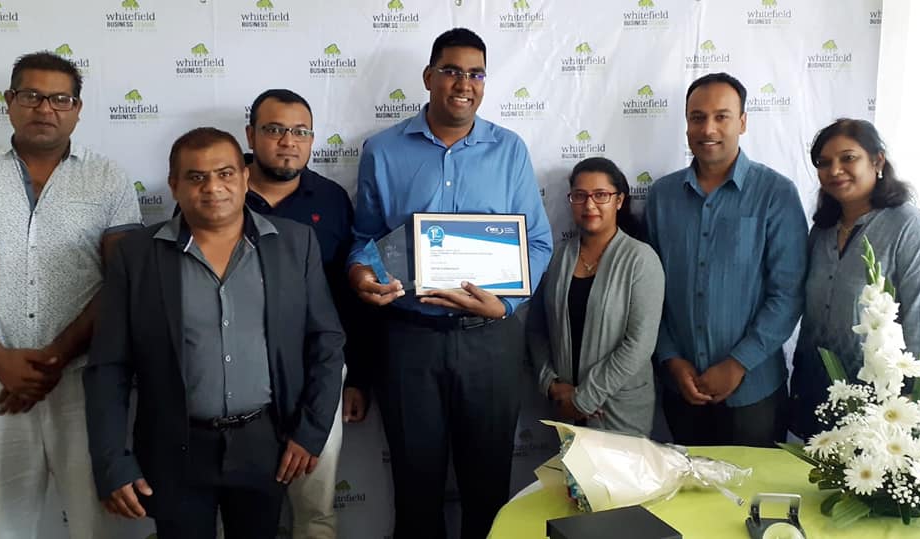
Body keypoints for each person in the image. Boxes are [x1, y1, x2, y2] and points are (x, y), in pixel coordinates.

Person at [83, 127, 345, 539]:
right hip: (174, 447)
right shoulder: (137, 255)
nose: (213, 188)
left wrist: (310, 434)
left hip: (266, 444)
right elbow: (108, 366)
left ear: (245, 177)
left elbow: (326, 342)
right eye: (196, 177)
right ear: (174, 185)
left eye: (225, 174)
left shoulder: (295, 244)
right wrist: (111, 460)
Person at [347, 28, 553, 539]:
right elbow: (366, 238)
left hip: (489, 341)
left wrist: (506, 305)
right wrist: (360, 272)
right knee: (416, 488)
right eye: (452, 71)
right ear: (429, 77)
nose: (464, 83)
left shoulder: (509, 150)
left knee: (488, 487)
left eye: (476, 74)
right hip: (409, 340)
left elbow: (538, 243)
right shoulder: (383, 150)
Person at [0, 51, 142, 538]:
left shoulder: (108, 177)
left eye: (60, 99)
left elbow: (121, 282)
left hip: (82, 380)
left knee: (95, 523)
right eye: (32, 96)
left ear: (77, 109)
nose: (45, 108)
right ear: (9, 101)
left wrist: (55, 358)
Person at [645, 72, 808, 447]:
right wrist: (671, 358)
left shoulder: (776, 193)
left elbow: (788, 293)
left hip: (754, 391)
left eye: (722, 116)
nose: (708, 129)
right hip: (681, 387)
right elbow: (650, 291)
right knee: (685, 485)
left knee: (755, 485)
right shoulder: (662, 196)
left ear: (743, 122)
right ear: (687, 124)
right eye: (697, 117)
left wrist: (738, 363)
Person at [243, 88, 371, 539]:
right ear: (251, 135)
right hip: (236, 375)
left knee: (315, 510)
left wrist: (356, 378)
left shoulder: (331, 199)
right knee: (237, 512)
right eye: (275, 130)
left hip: (317, 372)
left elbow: (348, 296)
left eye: (300, 132)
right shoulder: (220, 191)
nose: (288, 142)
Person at [789, 118, 920, 440]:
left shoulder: (910, 229)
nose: (835, 170)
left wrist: (914, 405)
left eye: (848, 158)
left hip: (881, 404)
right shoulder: (822, 231)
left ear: (877, 161)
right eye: (824, 162)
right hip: (814, 391)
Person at [528, 157, 664, 436]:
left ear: (619, 200)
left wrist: (585, 398)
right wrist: (551, 384)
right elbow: (537, 328)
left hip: (618, 411)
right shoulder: (558, 257)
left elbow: (639, 344)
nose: (589, 205)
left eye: (601, 195)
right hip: (565, 410)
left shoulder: (640, 259)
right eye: (580, 196)